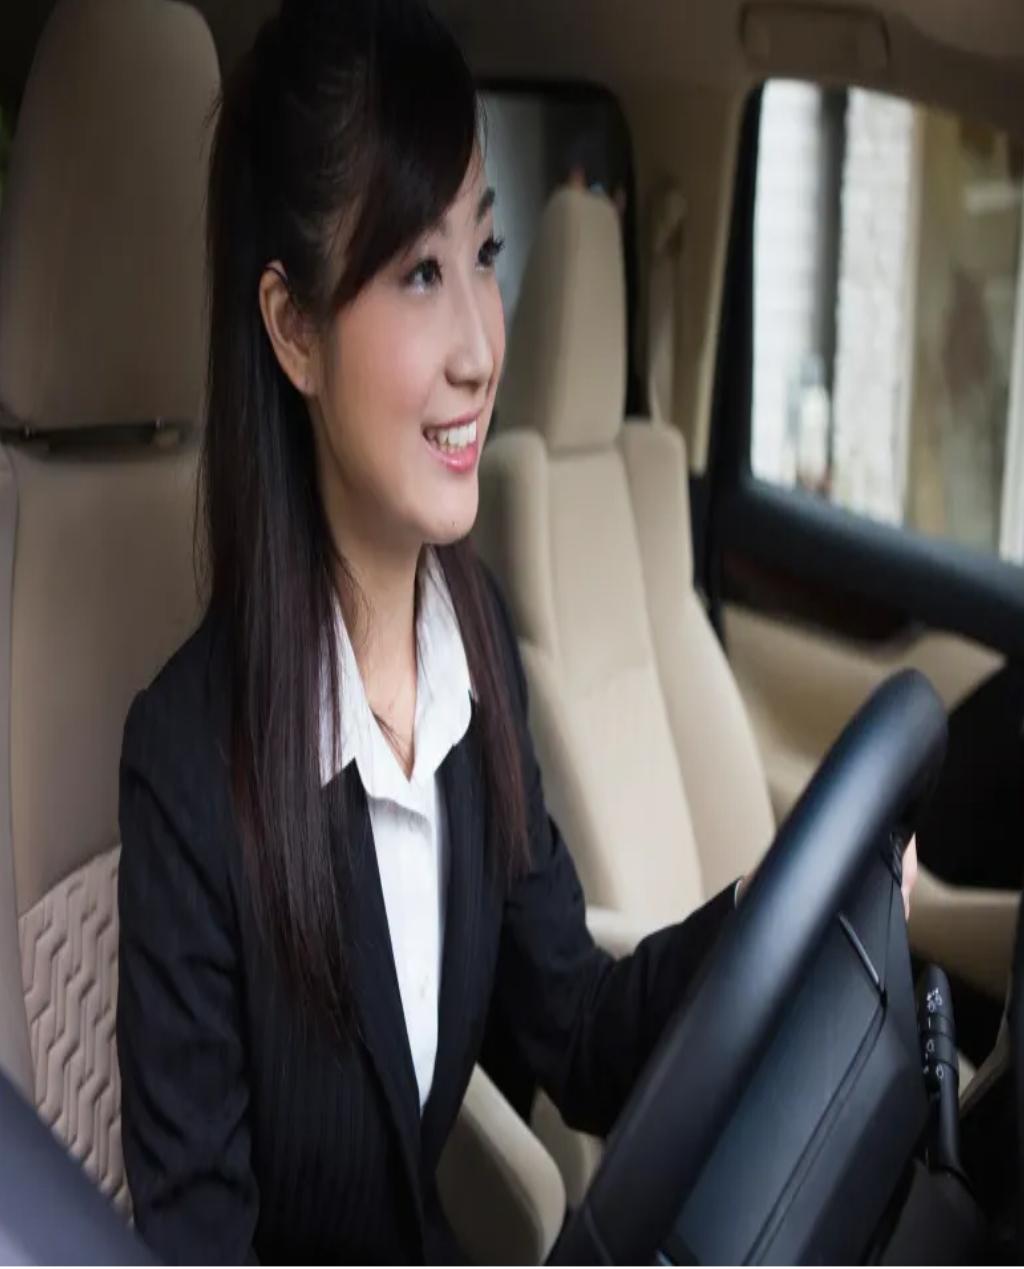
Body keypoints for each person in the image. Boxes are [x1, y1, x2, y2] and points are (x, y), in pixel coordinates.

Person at [114, 0, 919, 1262]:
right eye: (417, 272)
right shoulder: (185, 764)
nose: (483, 348)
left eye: (482, 253)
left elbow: (577, 1032)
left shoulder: (475, 641)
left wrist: (783, 911)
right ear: (293, 329)